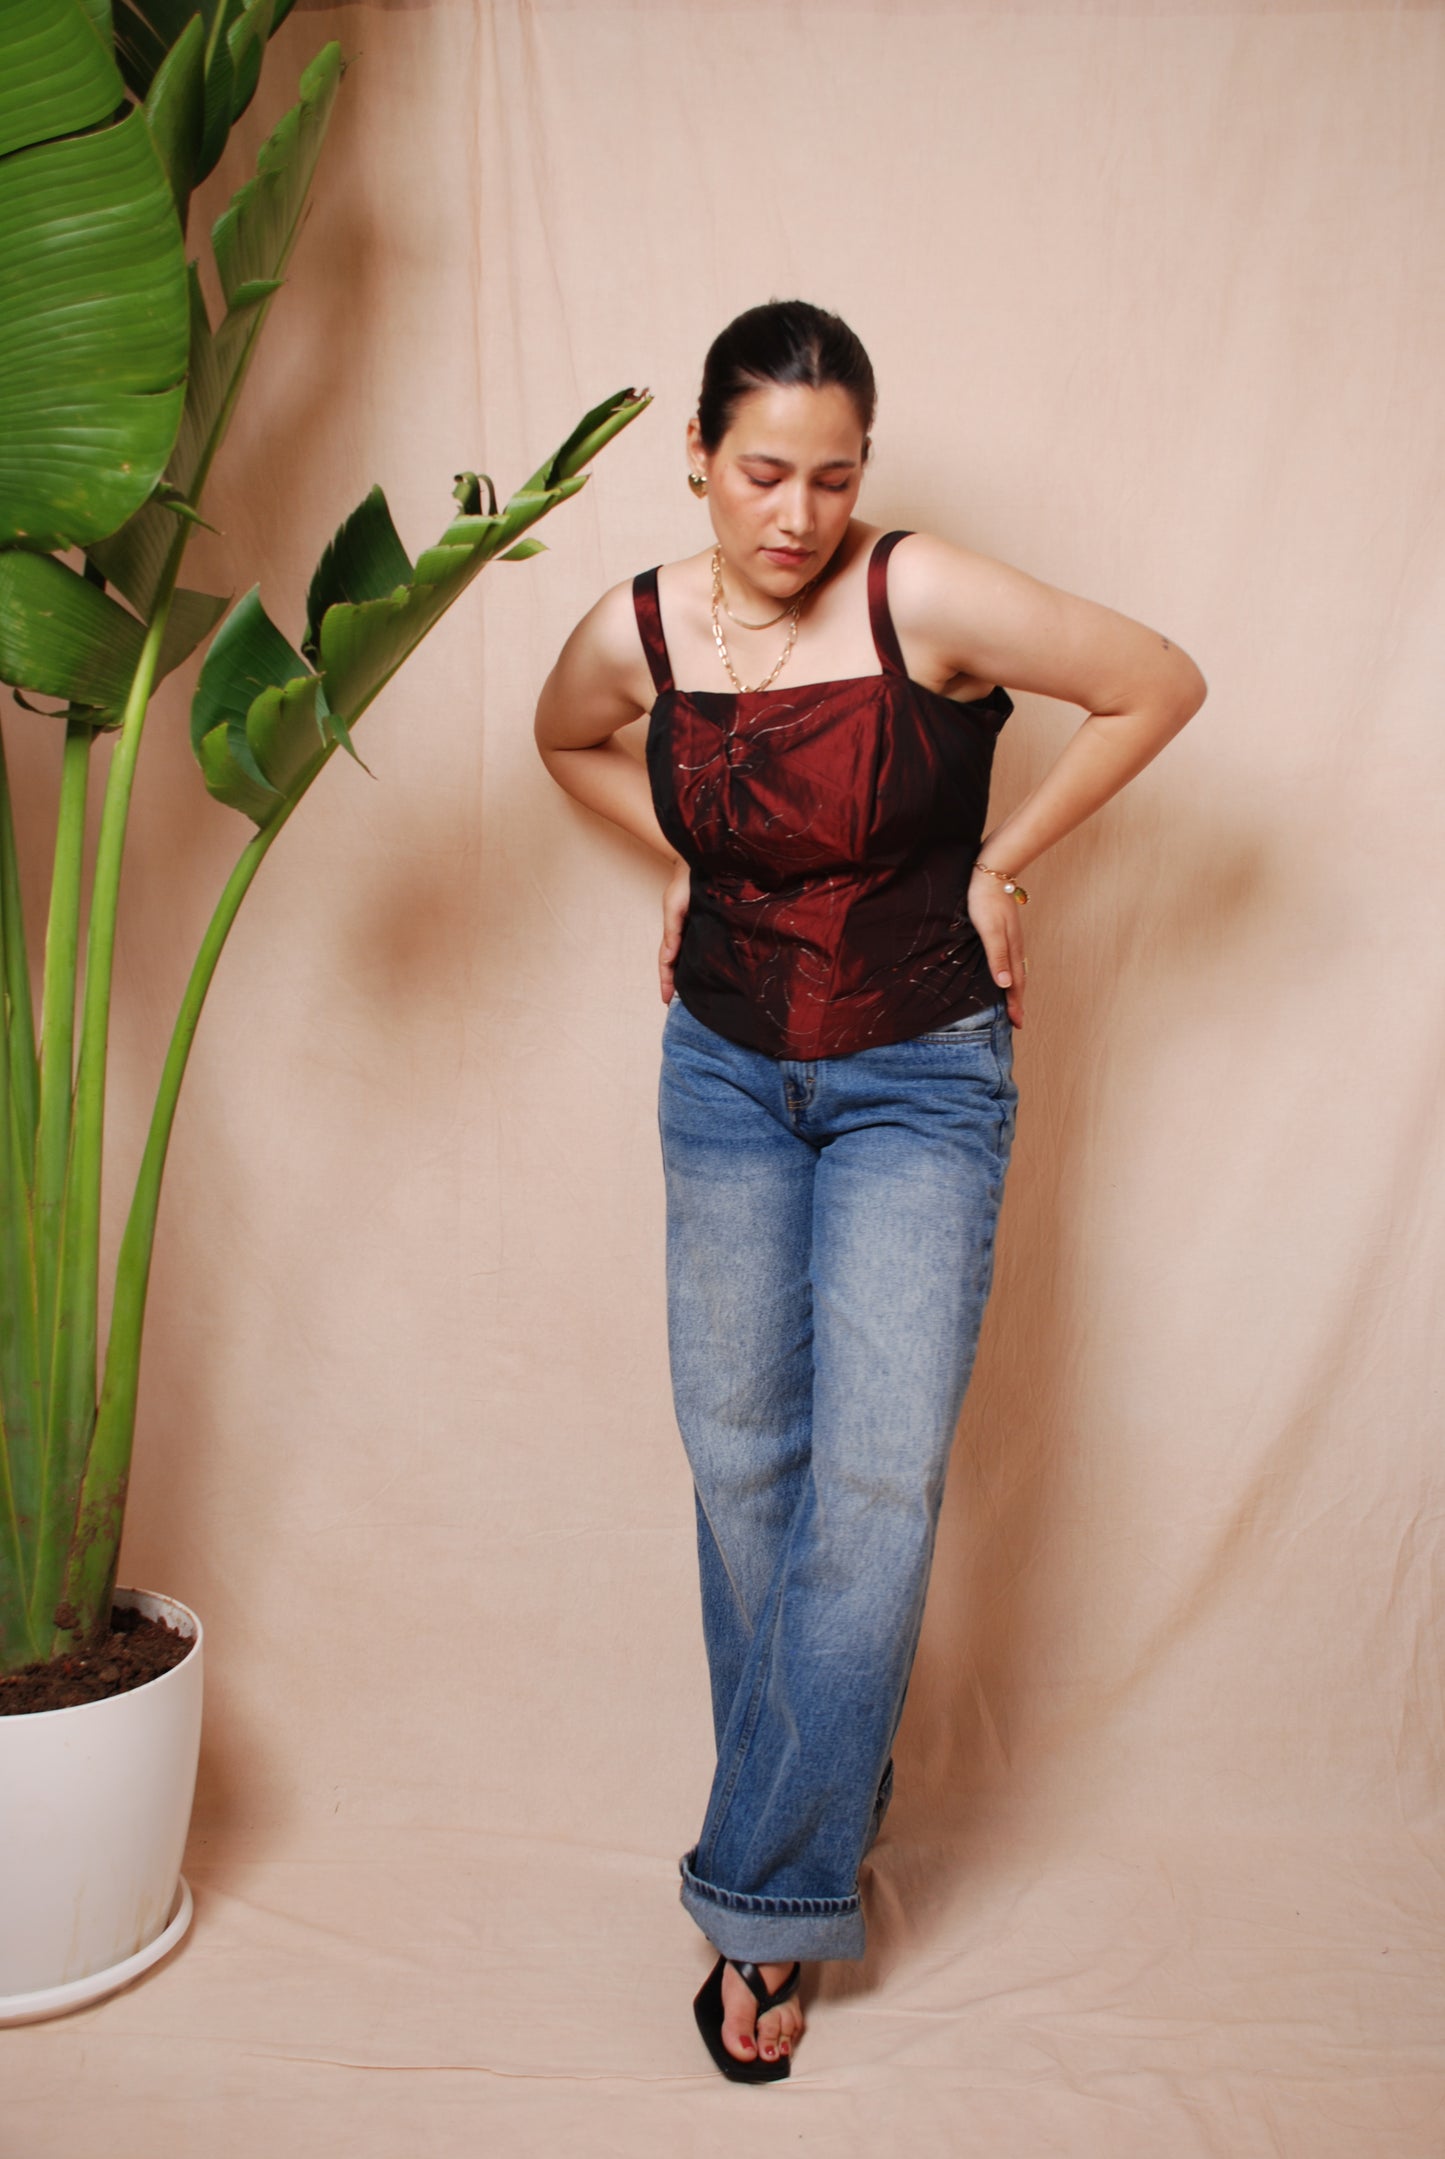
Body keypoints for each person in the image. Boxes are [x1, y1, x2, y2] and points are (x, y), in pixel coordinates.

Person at [533, 299, 1206, 2083]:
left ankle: (758, 1907)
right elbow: (565, 743)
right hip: (726, 1074)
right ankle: (828, 1782)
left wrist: (1002, 861)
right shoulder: (637, 633)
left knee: (879, 1483)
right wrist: (676, 861)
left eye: (832, 476)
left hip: (919, 1072)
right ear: (695, 455)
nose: (796, 512)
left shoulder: (924, 595)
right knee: (744, 1460)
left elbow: (1156, 680)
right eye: (762, 471)